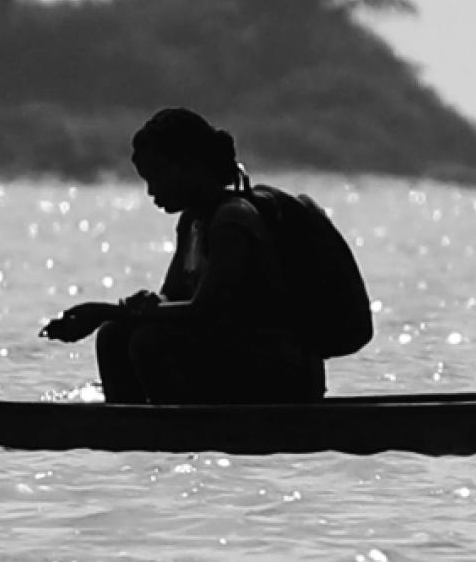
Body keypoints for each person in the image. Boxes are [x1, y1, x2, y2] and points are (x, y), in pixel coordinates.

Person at [39, 109, 323, 404]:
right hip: (231, 358)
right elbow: (171, 300)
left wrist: (105, 311)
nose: (151, 191)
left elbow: (205, 311)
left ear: (189, 166)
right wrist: (137, 307)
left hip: (281, 374)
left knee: (150, 342)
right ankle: (133, 433)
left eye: (158, 176)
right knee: (114, 335)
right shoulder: (193, 222)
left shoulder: (233, 222)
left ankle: (177, 431)